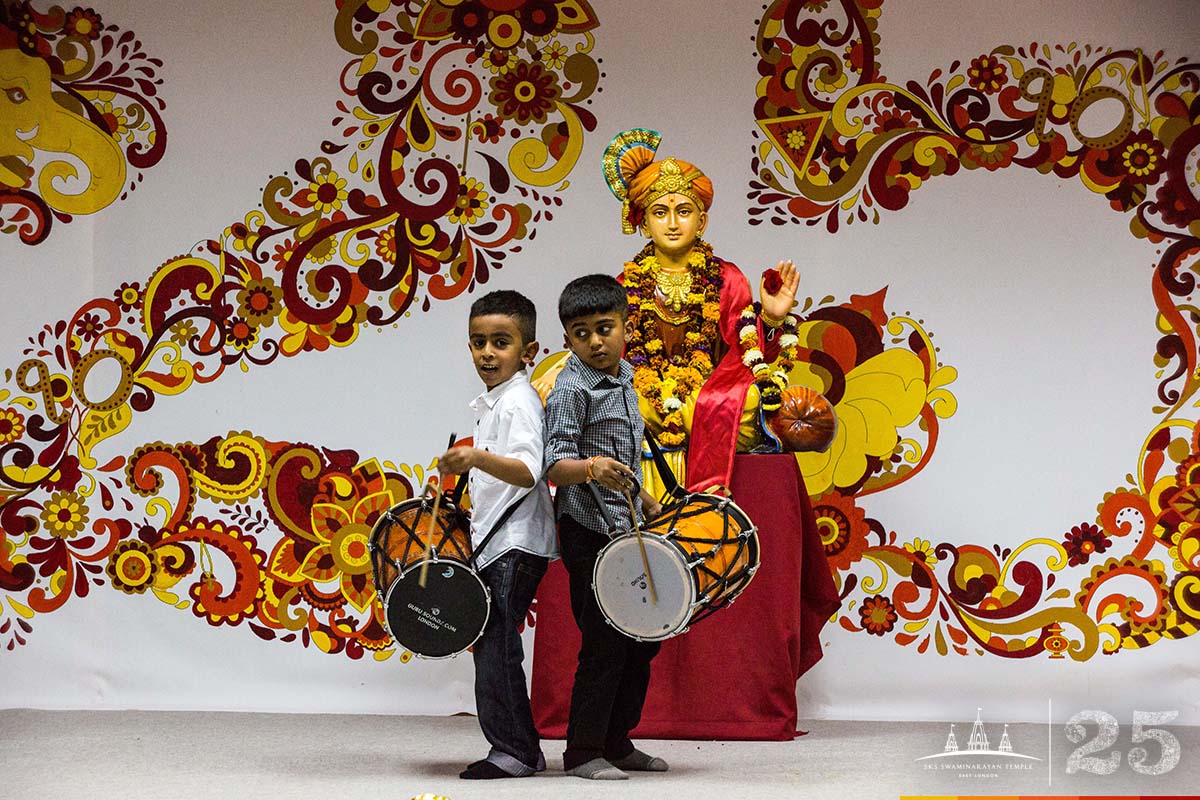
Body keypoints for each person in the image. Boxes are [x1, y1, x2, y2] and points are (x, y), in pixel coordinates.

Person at [601, 128, 803, 494]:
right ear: (643, 222)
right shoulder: (623, 284)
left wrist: (771, 319)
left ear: (702, 221)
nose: (673, 223)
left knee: (750, 402)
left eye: (683, 211)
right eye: (660, 212)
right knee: (615, 401)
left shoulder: (728, 278)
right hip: (643, 392)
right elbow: (615, 359)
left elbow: (748, 358)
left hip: (704, 393)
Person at [543, 274, 667, 781]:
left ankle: (618, 741)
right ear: (567, 339)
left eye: (605, 328)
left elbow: (622, 455)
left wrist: (640, 493)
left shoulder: (627, 376)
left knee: (643, 639)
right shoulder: (571, 389)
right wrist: (589, 467)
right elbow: (554, 465)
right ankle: (583, 752)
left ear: (625, 327)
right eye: (581, 332)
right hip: (588, 531)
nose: (596, 341)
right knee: (604, 641)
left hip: (626, 525)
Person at [436, 289, 558, 780]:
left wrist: (473, 458)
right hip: (499, 542)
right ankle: (520, 747)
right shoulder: (494, 403)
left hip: (516, 543)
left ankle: (515, 752)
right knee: (494, 641)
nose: (487, 352)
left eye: (501, 342)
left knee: (495, 643)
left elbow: (530, 470)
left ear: (528, 352)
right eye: (478, 342)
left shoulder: (519, 402)